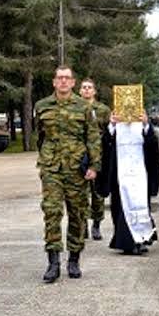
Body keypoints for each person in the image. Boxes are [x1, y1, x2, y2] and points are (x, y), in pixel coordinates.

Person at [33, 66, 101, 283]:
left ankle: (74, 259)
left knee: (77, 213)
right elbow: (40, 136)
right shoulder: (42, 106)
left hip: (75, 169)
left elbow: (92, 138)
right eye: (59, 78)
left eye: (67, 78)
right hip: (52, 168)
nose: (63, 82)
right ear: (54, 82)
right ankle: (53, 262)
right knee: (51, 212)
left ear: (73, 83)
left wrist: (94, 166)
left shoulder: (83, 107)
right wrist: (44, 161)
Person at [96, 110, 159, 255]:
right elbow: (105, 145)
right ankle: (126, 242)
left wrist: (146, 124)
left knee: (141, 206)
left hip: (140, 174)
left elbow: (152, 146)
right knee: (120, 208)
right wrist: (112, 125)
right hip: (120, 174)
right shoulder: (116, 126)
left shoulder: (141, 126)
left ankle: (142, 239)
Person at [78, 78, 110, 240]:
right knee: (80, 193)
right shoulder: (75, 108)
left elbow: (109, 132)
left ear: (94, 91)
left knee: (97, 193)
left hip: (98, 154)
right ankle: (82, 226)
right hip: (78, 155)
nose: (86, 90)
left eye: (89, 87)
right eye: (84, 88)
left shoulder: (103, 110)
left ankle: (96, 225)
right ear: (79, 91)